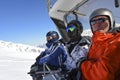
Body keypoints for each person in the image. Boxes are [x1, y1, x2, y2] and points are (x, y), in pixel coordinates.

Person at [78, 8, 120, 80]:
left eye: (101, 20)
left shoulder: (116, 41)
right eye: (93, 22)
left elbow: (101, 75)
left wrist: (81, 64)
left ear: (111, 22)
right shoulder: (94, 42)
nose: (97, 24)